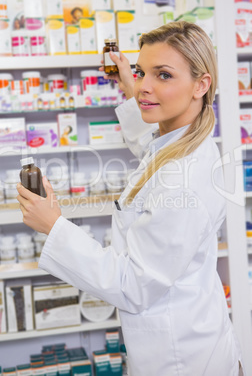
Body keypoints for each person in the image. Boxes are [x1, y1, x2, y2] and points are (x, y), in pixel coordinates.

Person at [17, 21, 244, 376]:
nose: (144, 88)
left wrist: (54, 227)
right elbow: (151, 149)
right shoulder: (183, 143)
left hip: (182, 360)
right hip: (189, 336)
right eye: (141, 72)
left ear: (201, 85)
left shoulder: (183, 180)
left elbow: (133, 284)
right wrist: (132, 83)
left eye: (164, 75)